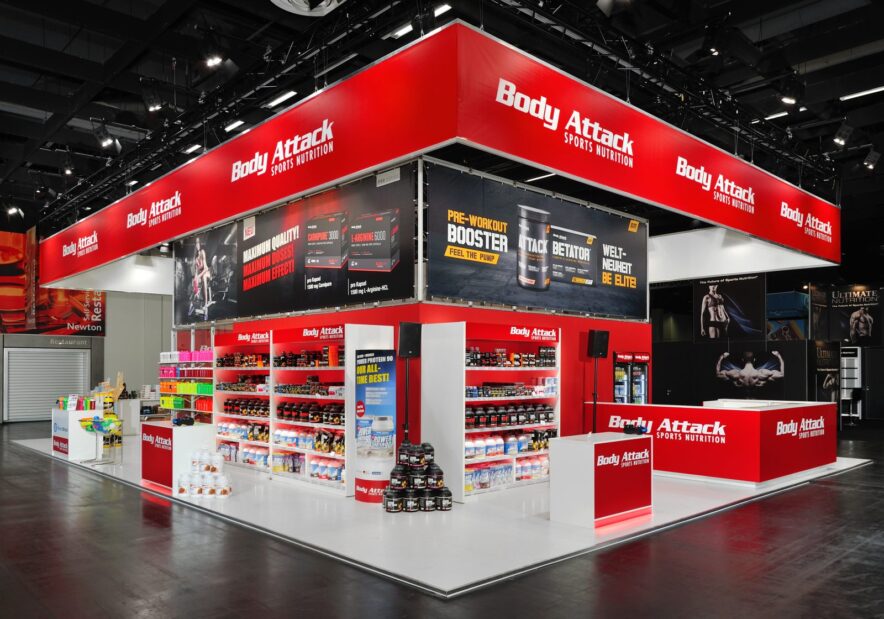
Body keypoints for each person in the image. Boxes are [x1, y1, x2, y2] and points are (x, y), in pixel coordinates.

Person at [716, 350, 784, 388]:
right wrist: (778, 356)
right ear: (754, 360)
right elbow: (782, 374)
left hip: (740, 402)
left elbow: (717, 374)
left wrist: (721, 357)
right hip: (758, 402)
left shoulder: (735, 373)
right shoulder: (761, 373)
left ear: (742, 360)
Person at [193, 237, 212, 311]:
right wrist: (196, 278)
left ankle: (206, 302)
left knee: (203, 277)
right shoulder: (196, 258)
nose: (197, 245)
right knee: (195, 280)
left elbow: (206, 268)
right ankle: (198, 297)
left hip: (206, 272)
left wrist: (199, 276)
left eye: (198, 243)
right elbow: (196, 271)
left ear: (200, 244)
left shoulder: (202, 252)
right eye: (196, 243)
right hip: (201, 273)